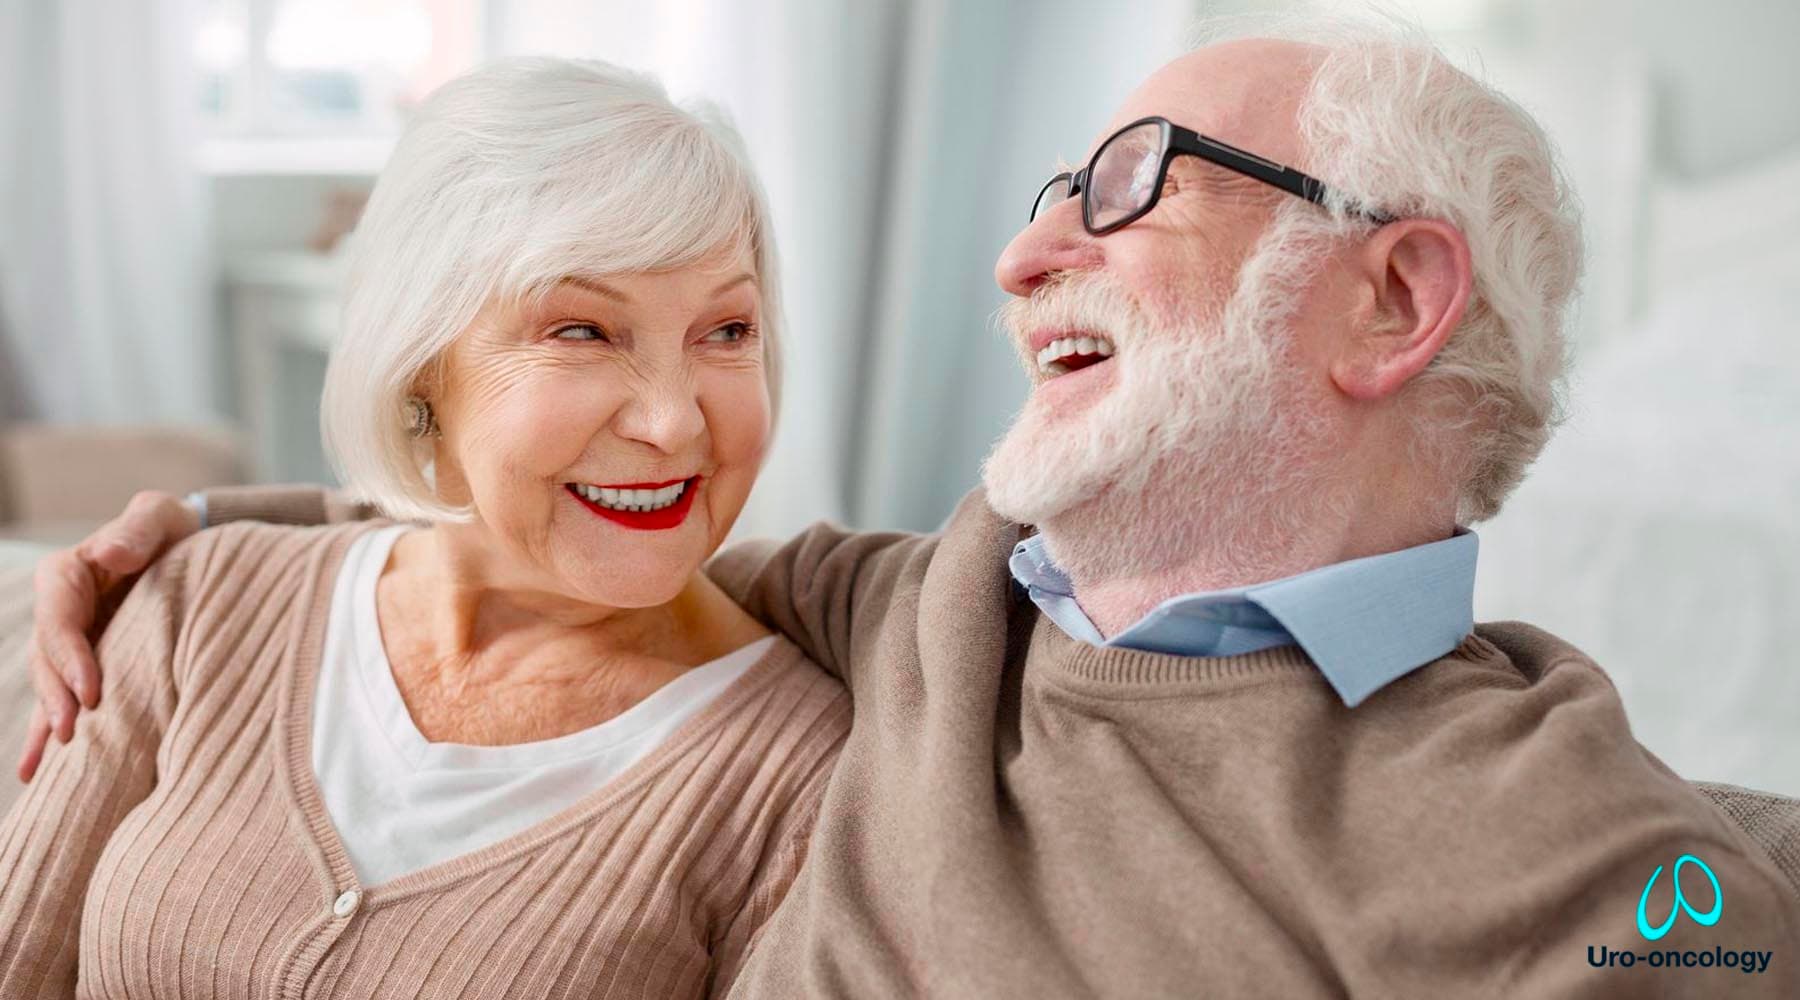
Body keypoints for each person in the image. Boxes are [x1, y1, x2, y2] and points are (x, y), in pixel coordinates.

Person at [19, 15, 1800, 999]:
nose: (1025, 259)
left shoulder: (1592, 858)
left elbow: (1715, 913)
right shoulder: (922, 609)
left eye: (1126, 190)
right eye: (1048, 194)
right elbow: (541, 536)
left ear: (1393, 303)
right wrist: (194, 540)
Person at [0, 57, 850, 998]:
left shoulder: (805, 778)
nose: (677, 423)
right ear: (419, 367)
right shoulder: (196, 599)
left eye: (727, 331)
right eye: (582, 331)